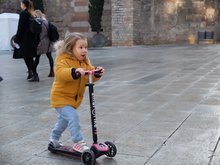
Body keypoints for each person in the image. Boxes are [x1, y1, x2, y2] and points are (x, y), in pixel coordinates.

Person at [49, 32, 104, 153]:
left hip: (73, 100)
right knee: (73, 117)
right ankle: (78, 142)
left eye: (85, 47)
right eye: (80, 47)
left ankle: (53, 139)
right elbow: (61, 73)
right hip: (60, 98)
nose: (84, 50)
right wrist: (74, 72)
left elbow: (89, 75)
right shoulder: (62, 59)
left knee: (63, 121)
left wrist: (96, 72)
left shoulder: (84, 62)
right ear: (70, 48)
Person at [13, 0, 39, 82]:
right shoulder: (30, 13)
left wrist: (16, 39)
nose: (20, 5)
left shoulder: (24, 13)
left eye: (21, 3)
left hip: (25, 39)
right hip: (30, 39)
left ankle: (35, 75)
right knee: (27, 57)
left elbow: (20, 27)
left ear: (23, 4)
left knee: (28, 58)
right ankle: (31, 73)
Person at [33, 9, 54, 79]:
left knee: (37, 57)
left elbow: (39, 33)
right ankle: (52, 71)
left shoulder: (39, 22)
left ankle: (33, 71)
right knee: (49, 56)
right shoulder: (46, 21)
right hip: (48, 40)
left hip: (42, 41)